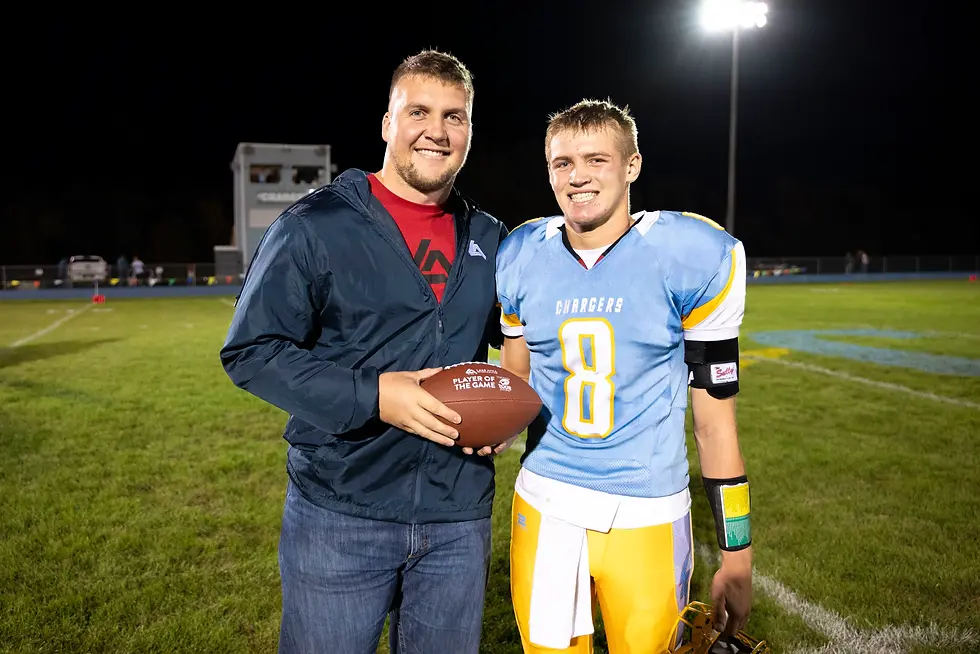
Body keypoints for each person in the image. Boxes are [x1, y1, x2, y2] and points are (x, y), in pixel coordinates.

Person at [220, 50, 508, 654]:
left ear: (470, 130)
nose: (437, 130)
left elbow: (515, 345)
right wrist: (374, 394)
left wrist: (506, 411)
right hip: (341, 510)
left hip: (458, 514)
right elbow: (251, 349)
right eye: (420, 111)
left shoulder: (489, 236)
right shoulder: (315, 224)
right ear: (387, 123)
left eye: (455, 117)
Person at [491, 99, 754, 653]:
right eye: (561, 163)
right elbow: (514, 384)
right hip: (545, 500)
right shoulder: (520, 253)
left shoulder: (689, 253)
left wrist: (738, 553)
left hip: (646, 510)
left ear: (632, 165)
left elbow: (714, 427)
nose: (577, 176)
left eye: (595, 159)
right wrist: (486, 426)